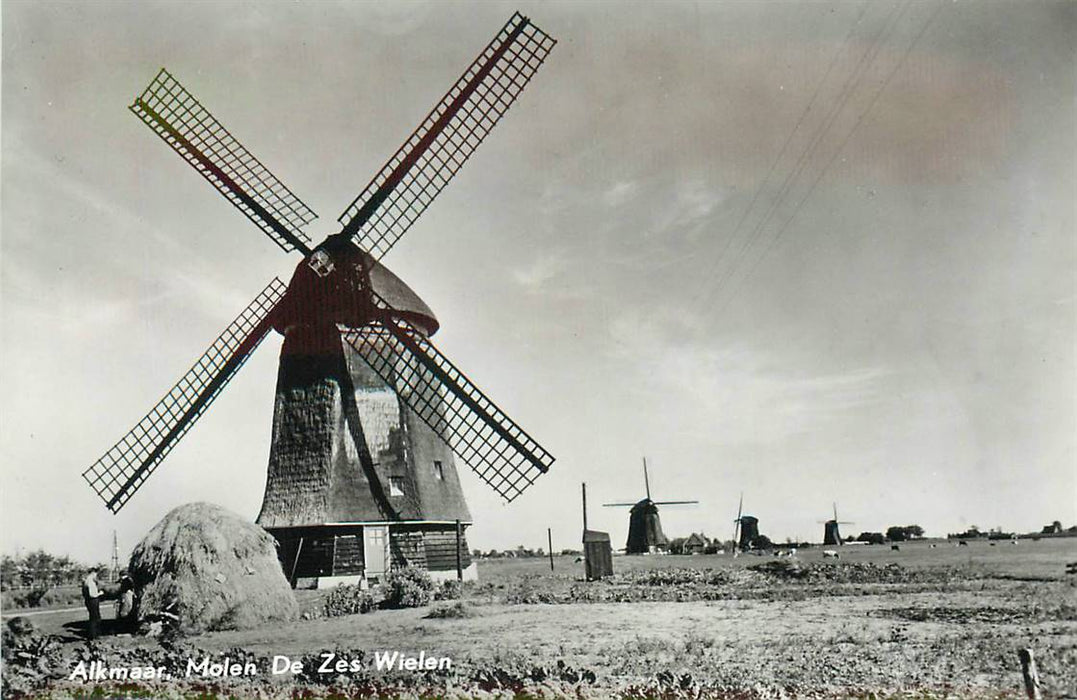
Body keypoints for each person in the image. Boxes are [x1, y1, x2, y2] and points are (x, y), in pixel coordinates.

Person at [81, 567, 102, 640]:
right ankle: (94, 635)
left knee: (93, 617)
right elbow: (92, 594)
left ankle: (92, 634)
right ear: (93, 573)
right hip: (93, 600)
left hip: (88, 600)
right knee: (95, 618)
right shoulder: (91, 582)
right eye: (95, 574)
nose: (96, 576)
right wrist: (100, 593)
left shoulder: (86, 581)